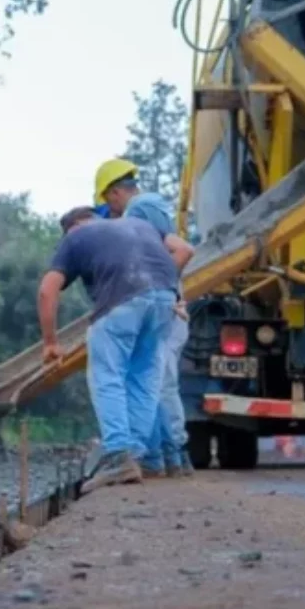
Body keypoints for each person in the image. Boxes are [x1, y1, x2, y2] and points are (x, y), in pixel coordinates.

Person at [36, 207, 192, 494]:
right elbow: (183, 250)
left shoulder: (76, 237)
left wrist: (50, 343)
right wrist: (165, 286)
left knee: (108, 375)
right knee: (145, 378)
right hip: (164, 299)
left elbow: (48, 289)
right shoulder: (139, 225)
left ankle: (119, 453)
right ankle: (135, 455)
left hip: (123, 299)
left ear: (72, 228)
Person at [124, 193, 196, 477]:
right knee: (159, 384)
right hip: (167, 318)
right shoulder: (155, 246)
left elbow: (186, 251)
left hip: (167, 319)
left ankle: (172, 451)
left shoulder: (160, 244)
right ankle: (170, 454)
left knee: (160, 384)